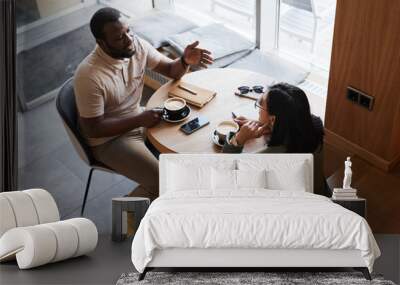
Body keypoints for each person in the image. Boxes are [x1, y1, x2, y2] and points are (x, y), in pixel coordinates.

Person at [74, 7, 213, 201]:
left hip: (139, 118)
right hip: (110, 139)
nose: (129, 39)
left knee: (192, 137)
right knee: (164, 183)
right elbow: (93, 129)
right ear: (101, 43)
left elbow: (172, 71)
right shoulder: (89, 76)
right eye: (119, 38)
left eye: (128, 31)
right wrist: (140, 119)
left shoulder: (136, 45)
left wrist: (184, 60)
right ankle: (125, 223)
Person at [223, 83, 327, 196]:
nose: (258, 109)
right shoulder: (314, 125)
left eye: (260, 104)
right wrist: (268, 125)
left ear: (273, 119)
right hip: (320, 192)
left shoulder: (268, 158)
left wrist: (239, 139)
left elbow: (227, 174)